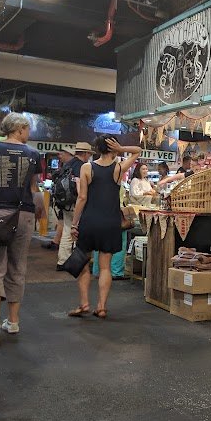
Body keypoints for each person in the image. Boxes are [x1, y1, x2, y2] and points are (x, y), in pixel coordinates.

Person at [0, 113, 45, 346]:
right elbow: (34, 188)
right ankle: (14, 321)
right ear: (19, 129)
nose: (29, 133)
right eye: (27, 129)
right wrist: (40, 210)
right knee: (17, 267)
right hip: (23, 214)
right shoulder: (33, 154)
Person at [67, 136, 141, 319]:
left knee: (83, 264)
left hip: (90, 221)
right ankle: (101, 307)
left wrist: (74, 224)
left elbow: (82, 198)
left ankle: (84, 304)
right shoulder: (118, 168)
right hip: (111, 222)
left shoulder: (87, 168)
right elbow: (138, 151)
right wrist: (121, 149)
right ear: (113, 148)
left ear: (97, 149)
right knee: (105, 267)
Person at [56, 142, 92, 271]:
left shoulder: (68, 164)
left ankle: (62, 261)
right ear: (86, 153)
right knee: (78, 232)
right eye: (89, 154)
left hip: (65, 203)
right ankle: (77, 263)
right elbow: (79, 185)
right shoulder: (82, 166)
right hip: (76, 203)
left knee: (67, 230)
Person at [43, 147, 73, 252]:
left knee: (65, 222)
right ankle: (56, 242)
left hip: (69, 200)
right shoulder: (65, 167)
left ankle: (58, 244)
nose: (59, 156)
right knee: (62, 220)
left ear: (68, 154)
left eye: (61, 154)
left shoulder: (71, 166)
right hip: (64, 200)